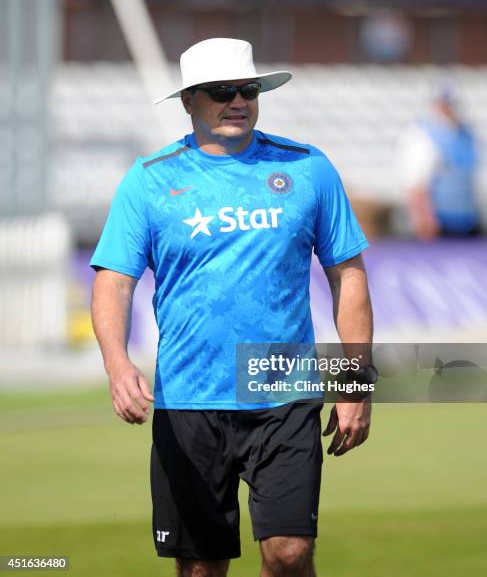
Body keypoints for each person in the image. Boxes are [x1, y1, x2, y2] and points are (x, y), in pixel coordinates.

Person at [90, 38, 374, 577]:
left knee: (289, 554)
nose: (238, 100)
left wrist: (355, 384)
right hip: (189, 398)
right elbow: (114, 284)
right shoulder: (150, 179)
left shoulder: (308, 168)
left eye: (248, 89)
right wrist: (117, 363)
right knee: (202, 568)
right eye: (222, 92)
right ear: (189, 100)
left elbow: (349, 277)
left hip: (282, 389)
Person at [397, 86, 481, 239]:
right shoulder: (422, 135)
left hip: (466, 219)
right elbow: (416, 185)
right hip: (438, 223)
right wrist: (425, 221)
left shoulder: (465, 133)